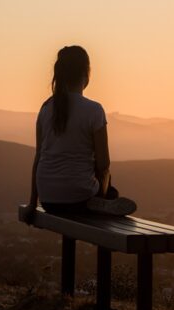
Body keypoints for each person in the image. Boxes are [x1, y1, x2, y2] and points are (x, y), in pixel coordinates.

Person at [21, 45, 136, 224]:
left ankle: (103, 200)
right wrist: (103, 192)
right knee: (110, 185)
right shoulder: (94, 110)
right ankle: (105, 201)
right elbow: (104, 164)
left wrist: (32, 203)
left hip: (48, 200)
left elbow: (39, 158)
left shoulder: (45, 108)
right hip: (79, 199)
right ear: (86, 73)